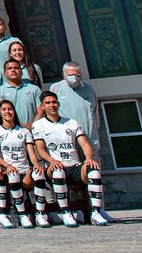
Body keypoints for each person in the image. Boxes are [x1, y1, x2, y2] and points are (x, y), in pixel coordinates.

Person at [32, 90, 110, 227]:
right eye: (48, 103)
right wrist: (52, 161)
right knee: (58, 171)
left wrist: (89, 158)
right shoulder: (39, 125)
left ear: (58, 104)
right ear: (42, 106)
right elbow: (40, 149)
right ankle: (66, 212)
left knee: (94, 170)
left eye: (54, 102)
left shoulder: (71, 123)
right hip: (54, 166)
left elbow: (84, 143)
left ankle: (96, 212)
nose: (52, 105)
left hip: (74, 165)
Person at [0, 98, 48, 228]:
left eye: (10, 109)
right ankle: (22, 214)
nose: (7, 112)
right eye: (4, 109)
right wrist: (8, 165)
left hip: (25, 171)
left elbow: (31, 153)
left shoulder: (24, 131)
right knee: (13, 174)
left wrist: (36, 165)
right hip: (8, 171)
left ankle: (40, 214)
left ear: (14, 112)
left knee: (39, 174)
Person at [49, 61, 99, 150]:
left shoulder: (89, 89)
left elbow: (95, 113)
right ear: (63, 75)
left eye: (77, 75)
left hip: (89, 142)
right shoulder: (55, 88)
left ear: (81, 74)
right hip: (67, 144)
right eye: (70, 75)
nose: (74, 78)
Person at [0, 59, 42, 127]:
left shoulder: (35, 89)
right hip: (12, 130)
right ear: (5, 73)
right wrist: (21, 127)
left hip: (34, 129)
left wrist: (33, 126)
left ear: (21, 72)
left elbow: (41, 110)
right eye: (9, 68)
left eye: (16, 68)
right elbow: (3, 113)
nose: (13, 70)